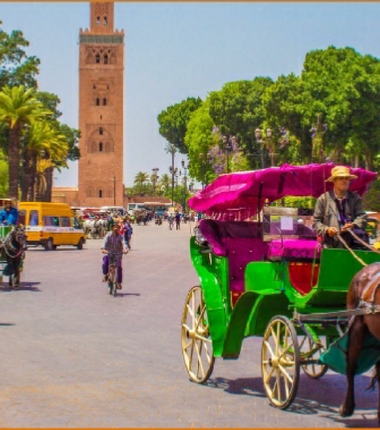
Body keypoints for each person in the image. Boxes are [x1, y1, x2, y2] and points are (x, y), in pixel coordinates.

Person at [313, 166, 368, 249]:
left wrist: (353, 225)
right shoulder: (323, 199)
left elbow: (362, 217)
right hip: (331, 246)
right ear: (334, 181)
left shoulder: (355, 198)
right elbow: (316, 222)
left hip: (353, 246)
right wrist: (327, 230)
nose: (344, 181)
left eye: (347, 178)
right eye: (341, 178)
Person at [101, 223, 129, 289]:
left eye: (117, 227)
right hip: (108, 253)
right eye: (114, 227)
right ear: (112, 228)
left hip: (118, 254)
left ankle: (119, 282)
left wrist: (125, 250)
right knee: (105, 263)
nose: (116, 229)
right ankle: (105, 275)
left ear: (119, 229)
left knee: (119, 268)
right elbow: (104, 243)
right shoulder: (108, 236)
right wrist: (103, 249)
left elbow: (124, 243)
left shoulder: (120, 236)